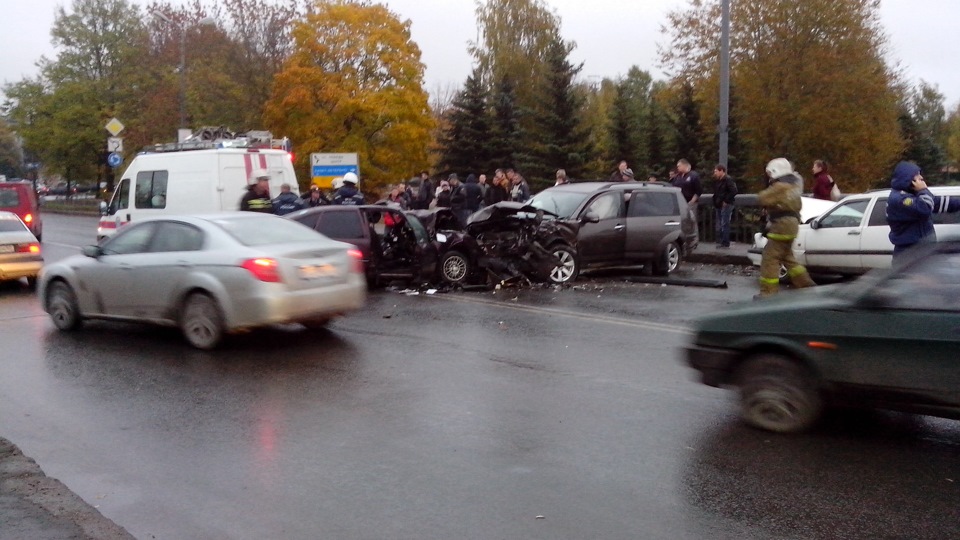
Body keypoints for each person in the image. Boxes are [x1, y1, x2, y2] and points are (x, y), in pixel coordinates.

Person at [757, 158, 816, 297]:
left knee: (770, 258)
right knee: (788, 258)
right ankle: (807, 286)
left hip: (781, 227)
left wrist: (769, 188)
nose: (769, 177)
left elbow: (762, 198)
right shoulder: (794, 187)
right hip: (792, 225)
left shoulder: (779, 187)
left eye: (770, 174)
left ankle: (768, 294)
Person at [886, 161, 960, 263]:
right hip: (909, 253)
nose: (921, 178)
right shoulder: (899, 198)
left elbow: (936, 203)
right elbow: (924, 208)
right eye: (917, 175)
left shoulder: (913, 195)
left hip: (922, 250)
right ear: (908, 178)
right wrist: (923, 190)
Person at [672, 159, 703, 241]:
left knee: (692, 221)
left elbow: (699, 190)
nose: (677, 167)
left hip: (690, 202)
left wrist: (692, 201)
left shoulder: (693, 176)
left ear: (685, 165)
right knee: (682, 222)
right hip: (680, 203)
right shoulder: (678, 176)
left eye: (679, 166)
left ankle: (695, 240)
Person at [712, 164, 737, 248]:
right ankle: (722, 241)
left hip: (726, 204)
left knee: (724, 223)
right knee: (721, 223)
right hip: (719, 204)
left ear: (721, 171)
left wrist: (726, 201)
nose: (714, 173)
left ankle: (725, 242)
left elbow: (733, 191)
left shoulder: (728, 180)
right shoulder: (718, 180)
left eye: (716, 171)